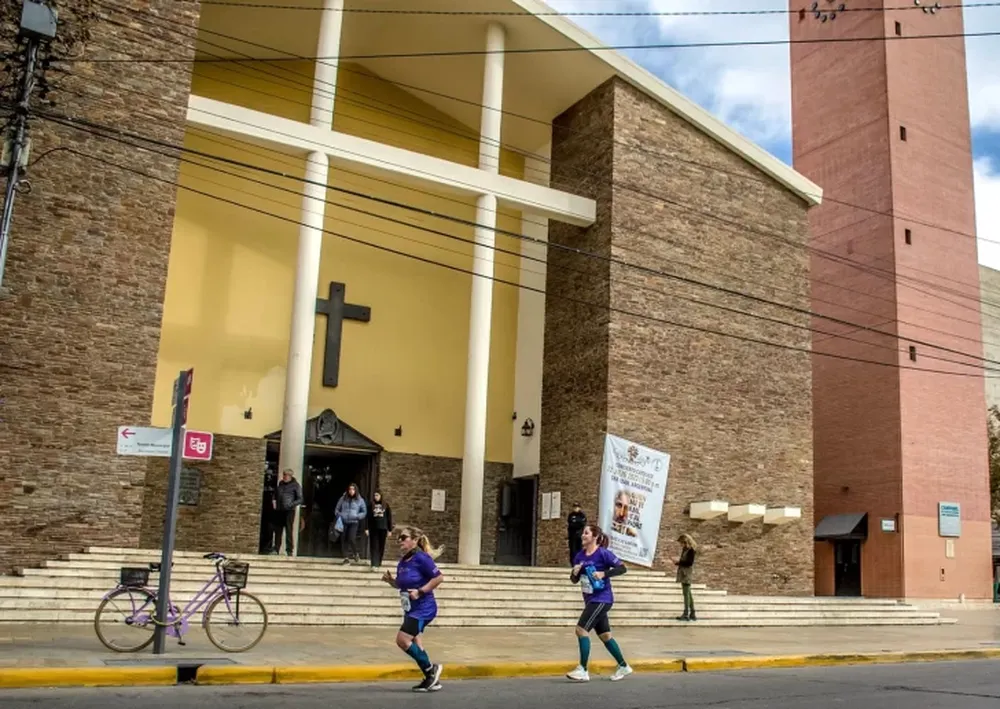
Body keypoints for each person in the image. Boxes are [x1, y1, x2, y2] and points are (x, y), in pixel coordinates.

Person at [381, 525, 445, 692]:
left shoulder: (422, 558)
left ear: (415, 540)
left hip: (424, 608)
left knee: (402, 640)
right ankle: (431, 679)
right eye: (399, 538)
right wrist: (391, 581)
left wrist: (421, 591)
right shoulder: (403, 562)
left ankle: (431, 670)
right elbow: (401, 585)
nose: (399, 541)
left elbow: (438, 578)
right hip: (410, 608)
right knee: (416, 642)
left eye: (403, 537)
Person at [566, 524, 633, 683]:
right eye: (583, 533)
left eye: (586, 533)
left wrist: (604, 573)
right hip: (590, 599)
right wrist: (574, 573)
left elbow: (622, 569)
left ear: (595, 537)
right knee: (605, 636)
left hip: (602, 599)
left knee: (581, 630)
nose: (583, 535)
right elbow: (574, 580)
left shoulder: (603, 554)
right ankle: (623, 665)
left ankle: (582, 669)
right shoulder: (579, 556)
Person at [334, 483, 367, 564]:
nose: (351, 491)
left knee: (351, 538)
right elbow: (337, 509)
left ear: (356, 490)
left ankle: (355, 553)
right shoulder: (343, 498)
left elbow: (364, 511)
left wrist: (357, 516)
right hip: (344, 521)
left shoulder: (360, 500)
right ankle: (346, 558)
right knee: (344, 539)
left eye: (353, 489)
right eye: (350, 489)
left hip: (354, 522)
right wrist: (340, 515)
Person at [274, 469, 303, 556]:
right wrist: (274, 502)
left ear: (290, 476)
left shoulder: (296, 486)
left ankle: (289, 550)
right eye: (284, 475)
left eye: (286, 475)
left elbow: (301, 499)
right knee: (278, 530)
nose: (285, 477)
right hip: (279, 510)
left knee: (289, 530)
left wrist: (291, 504)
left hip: (289, 511)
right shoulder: (280, 484)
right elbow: (275, 494)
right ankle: (276, 549)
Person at [673, 533, 698, 621]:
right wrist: (678, 562)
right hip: (683, 572)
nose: (681, 545)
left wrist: (678, 562)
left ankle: (686, 613)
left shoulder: (691, 550)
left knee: (686, 593)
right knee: (688, 593)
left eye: (681, 543)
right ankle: (693, 613)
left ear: (686, 542)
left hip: (687, 573)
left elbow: (689, 563)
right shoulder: (685, 549)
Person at [367, 491, 393, 570]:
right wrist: (366, 528)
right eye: (375, 495)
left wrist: (390, 529)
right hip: (373, 528)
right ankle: (374, 564)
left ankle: (378, 563)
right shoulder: (371, 505)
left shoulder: (386, 505)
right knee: (374, 546)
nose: (376, 497)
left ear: (381, 496)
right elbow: (368, 518)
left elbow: (389, 518)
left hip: (383, 528)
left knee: (381, 546)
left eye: (377, 495)